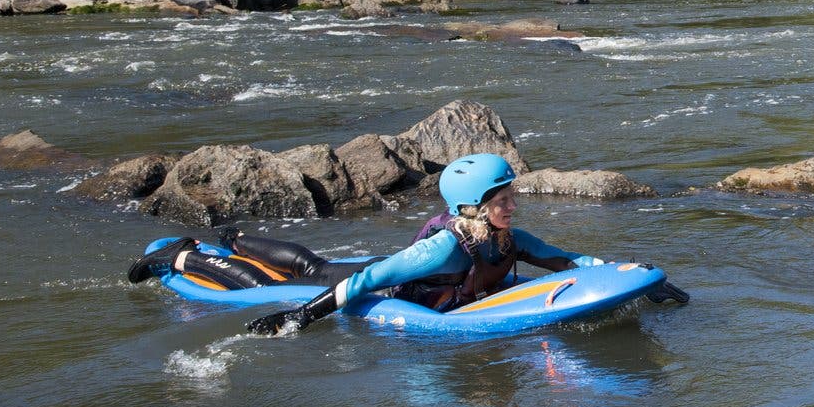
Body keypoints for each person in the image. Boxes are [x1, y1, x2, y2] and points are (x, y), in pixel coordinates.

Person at [213, 152, 685, 335]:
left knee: (311, 266)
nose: (513, 207)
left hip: (435, 289)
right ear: (473, 206)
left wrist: (635, 278)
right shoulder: (441, 247)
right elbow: (367, 278)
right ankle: (229, 241)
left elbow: (566, 260)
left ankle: (238, 241)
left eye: (511, 197)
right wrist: (302, 316)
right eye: (503, 200)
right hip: (386, 287)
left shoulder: (508, 239)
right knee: (308, 268)